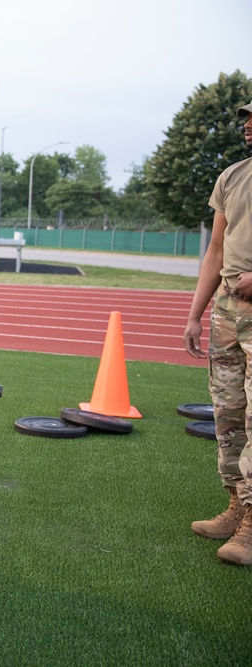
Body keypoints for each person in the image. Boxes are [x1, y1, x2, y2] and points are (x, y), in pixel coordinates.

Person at [184, 100, 252, 566]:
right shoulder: (231, 177)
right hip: (228, 310)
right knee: (228, 412)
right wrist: (195, 312)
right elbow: (215, 248)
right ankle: (235, 506)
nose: (248, 125)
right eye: (247, 117)